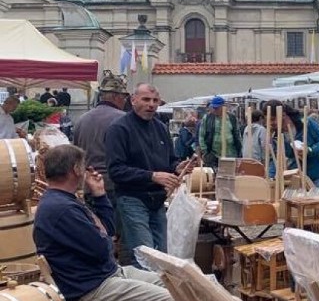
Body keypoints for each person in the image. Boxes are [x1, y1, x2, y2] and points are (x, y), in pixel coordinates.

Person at [33, 145, 177, 301]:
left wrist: (99, 195)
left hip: (103, 275)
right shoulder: (61, 209)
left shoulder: (64, 201)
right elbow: (104, 247)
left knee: (174, 283)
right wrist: (104, 236)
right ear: (76, 170)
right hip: (90, 288)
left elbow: (108, 233)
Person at [106, 83, 190, 258]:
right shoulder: (119, 128)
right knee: (146, 255)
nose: (151, 104)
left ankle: (159, 284)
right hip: (132, 199)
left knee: (163, 255)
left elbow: (170, 160)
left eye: (155, 100)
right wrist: (152, 176)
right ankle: (146, 283)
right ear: (133, 100)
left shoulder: (161, 128)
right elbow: (116, 171)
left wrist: (177, 167)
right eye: (146, 99)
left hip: (157, 201)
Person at [73, 72, 130, 198]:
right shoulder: (124, 119)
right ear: (116, 97)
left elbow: (76, 153)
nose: (125, 101)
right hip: (115, 185)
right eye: (124, 97)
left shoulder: (82, 119)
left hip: (88, 184)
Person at [279, 104, 319, 189]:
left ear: (286, 116)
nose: (280, 125)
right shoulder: (279, 134)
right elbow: (289, 154)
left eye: (281, 121)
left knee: (317, 201)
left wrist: (309, 150)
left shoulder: (307, 123)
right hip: (299, 174)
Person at [199, 96, 242, 168]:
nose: (215, 110)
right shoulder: (207, 118)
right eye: (213, 108)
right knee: (213, 175)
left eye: (217, 108)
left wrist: (239, 149)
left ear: (223, 106)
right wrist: (205, 151)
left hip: (230, 153)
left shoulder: (232, 118)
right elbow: (201, 135)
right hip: (213, 154)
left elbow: (237, 134)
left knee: (228, 176)